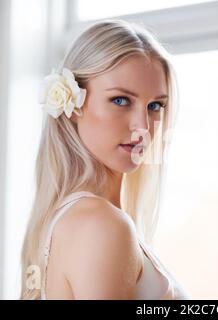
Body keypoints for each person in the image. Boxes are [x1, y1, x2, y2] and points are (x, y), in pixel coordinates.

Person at [20, 19, 190, 300]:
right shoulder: (102, 225)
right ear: (74, 105)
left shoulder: (75, 218)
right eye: (121, 100)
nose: (143, 127)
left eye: (155, 106)